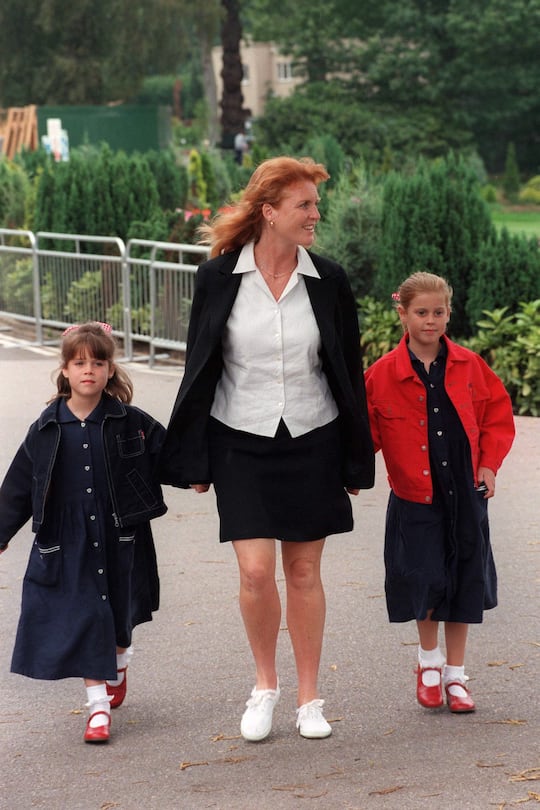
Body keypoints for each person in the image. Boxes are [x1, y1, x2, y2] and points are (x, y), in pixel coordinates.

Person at [158, 156, 374, 741]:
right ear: (269, 211)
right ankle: (264, 686)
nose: (315, 214)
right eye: (305, 204)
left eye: (315, 204)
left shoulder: (329, 281)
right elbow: (199, 368)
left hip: (313, 436)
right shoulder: (217, 277)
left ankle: (309, 698)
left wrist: (357, 456)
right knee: (256, 572)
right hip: (239, 437)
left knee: (303, 571)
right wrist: (193, 457)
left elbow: (347, 371)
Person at [0, 322, 167, 743]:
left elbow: (172, 456)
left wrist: (201, 475)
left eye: (98, 361)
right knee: (86, 618)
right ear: (65, 370)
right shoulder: (46, 428)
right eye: (79, 363)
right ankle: (97, 711)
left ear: (110, 370)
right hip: (68, 542)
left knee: (119, 618)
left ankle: (121, 658)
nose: (88, 370)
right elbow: (20, 484)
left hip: (120, 535)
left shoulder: (133, 422)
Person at [364, 272, 515, 713]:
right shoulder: (381, 375)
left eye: (439, 312)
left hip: (465, 495)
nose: (431, 321)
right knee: (425, 579)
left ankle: (456, 675)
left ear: (449, 313)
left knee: (463, 581)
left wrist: (488, 465)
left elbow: (497, 417)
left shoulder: (471, 366)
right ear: (403, 314)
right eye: (421, 313)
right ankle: (428, 663)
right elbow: (362, 435)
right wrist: (346, 474)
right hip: (415, 497)